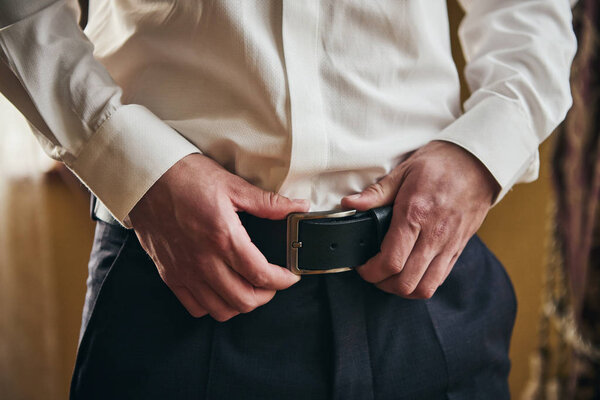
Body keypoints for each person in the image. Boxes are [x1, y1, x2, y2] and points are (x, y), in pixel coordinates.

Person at [0, 0, 576, 398]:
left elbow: (529, 13)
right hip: (181, 282)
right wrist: (132, 166)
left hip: (422, 280)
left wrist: (480, 157)